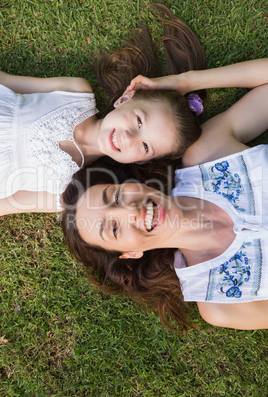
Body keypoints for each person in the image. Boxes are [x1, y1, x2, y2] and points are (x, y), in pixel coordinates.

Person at [61, 58, 268, 332]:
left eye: (116, 197)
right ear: (131, 254)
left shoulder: (208, 154)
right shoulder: (220, 303)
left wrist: (185, 82)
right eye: (113, 228)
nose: (130, 211)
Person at [0, 4, 206, 216]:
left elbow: (6, 204)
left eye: (145, 146)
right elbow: (6, 82)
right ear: (125, 99)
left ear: (141, 160)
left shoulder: (66, 192)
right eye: (139, 122)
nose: (129, 137)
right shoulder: (76, 93)